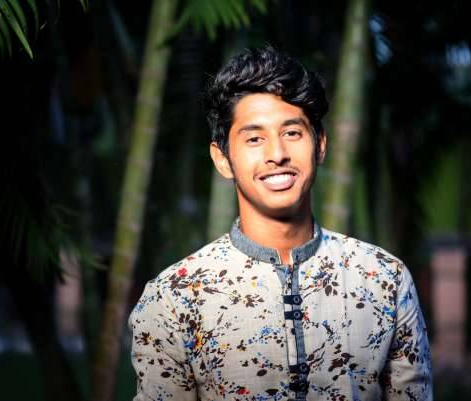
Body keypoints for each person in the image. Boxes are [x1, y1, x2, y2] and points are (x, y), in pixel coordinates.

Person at [129, 45, 432, 401]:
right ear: (222, 158)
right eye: (254, 139)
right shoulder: (174, 297)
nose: (277, 154)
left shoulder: (384, 279)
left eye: (292, 133)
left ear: (320, 144)